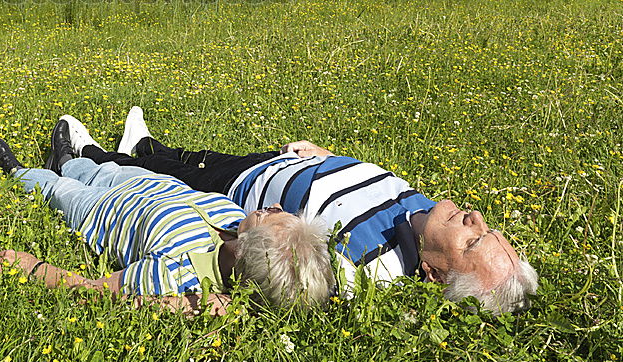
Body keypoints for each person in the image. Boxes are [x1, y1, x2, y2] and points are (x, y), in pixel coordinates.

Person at [60, 107, 538, 315]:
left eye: (473, 240)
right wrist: (325, 154)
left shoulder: (373, 272)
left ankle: (88, 157)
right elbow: (366, 186)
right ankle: (144, 143)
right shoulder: (427, 211)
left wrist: (204, 301)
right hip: (288, 162)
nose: (475, 218)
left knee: (178, 177)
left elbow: (287, 282)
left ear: (434, 273)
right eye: (487, 228)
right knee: (195, 156)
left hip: (247, 194)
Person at [0, 123, 334, 315]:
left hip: (100, 213)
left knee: (60, 191)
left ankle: (18, 172)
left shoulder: (176, 274)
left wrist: (33, 267)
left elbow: (96, 292)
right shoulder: (236, 219)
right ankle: (65, 159)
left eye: (269, 216)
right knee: (98, 168)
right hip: (148, 184)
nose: (271, 206)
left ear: (244, 252)